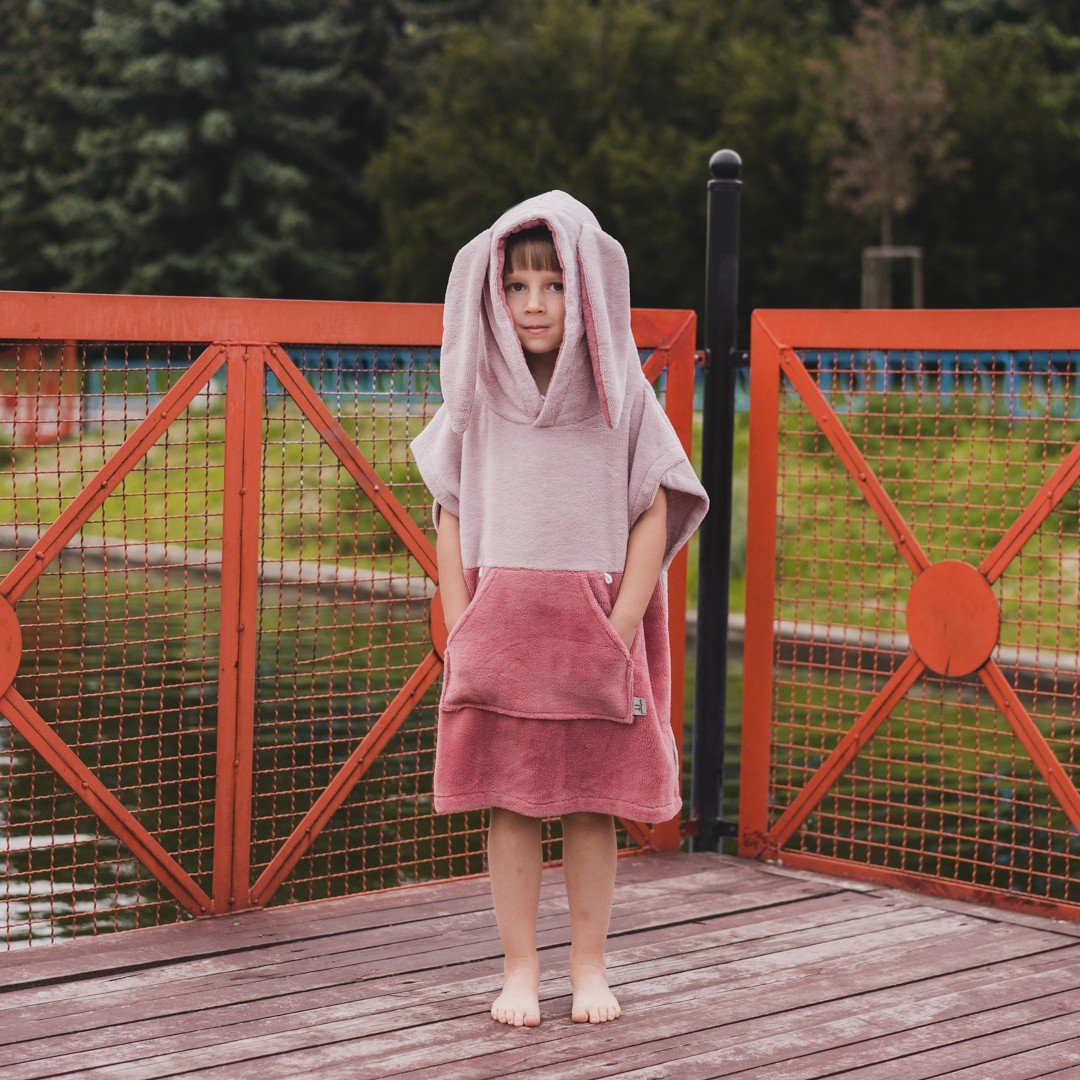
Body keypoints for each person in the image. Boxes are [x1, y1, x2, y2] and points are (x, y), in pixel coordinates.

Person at [409, 190, 709, 1028]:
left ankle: (588, 966)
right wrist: (462, 616)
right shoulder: (475, 395)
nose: (535, 304)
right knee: (509, 804)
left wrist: (618, 630)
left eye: (554, 285)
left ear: (587, 292)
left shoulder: (622, 395)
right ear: (491, 294)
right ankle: (518, 968)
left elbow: (659, 503)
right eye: (517, 286)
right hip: (500, 634)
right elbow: (449, 506)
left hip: (596, 636)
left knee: (590, 802)